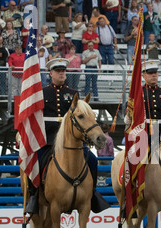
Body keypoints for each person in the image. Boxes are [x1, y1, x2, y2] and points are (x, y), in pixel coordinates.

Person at [24, 57, 109, 216]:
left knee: (92, 159)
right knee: (35, 160)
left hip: (71, 139)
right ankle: (34, 195)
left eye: (63, 71)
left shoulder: (73, 94)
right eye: (58, 71)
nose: (61, 73)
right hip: (48, 139)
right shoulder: (42, 93)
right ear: (51, 73)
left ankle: (93, 193)